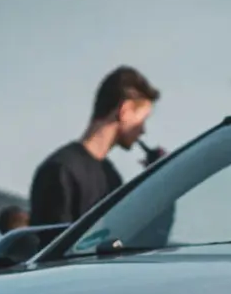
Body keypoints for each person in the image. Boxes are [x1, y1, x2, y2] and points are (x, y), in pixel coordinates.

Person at [29, 66, 160, 225]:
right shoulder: (60, 170)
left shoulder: (112, 178)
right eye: (142, 120)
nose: (143, 130)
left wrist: (159, 182)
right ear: (124, 111)